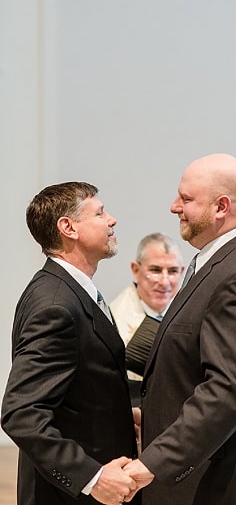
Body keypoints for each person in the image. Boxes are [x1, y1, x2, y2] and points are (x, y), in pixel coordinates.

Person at [123, 153, 236, 504]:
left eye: (186, 199)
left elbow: (228, 390)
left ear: (221, 207)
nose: (174, 206)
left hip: (227, 485)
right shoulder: (222, 261)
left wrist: (154, 462)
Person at [1, 182, 140, 505]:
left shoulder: (68, 290)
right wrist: (92, 478)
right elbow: (21, 413)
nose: (112, 220)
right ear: (68, 228)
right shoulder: (56, 305)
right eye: (100, 213)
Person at [110, 233, 185, 406]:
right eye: (155, 270)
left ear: (182, 271)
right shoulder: (112, 321)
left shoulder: (195, 317)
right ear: (136, 270)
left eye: (173, 271)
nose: (164, 282)